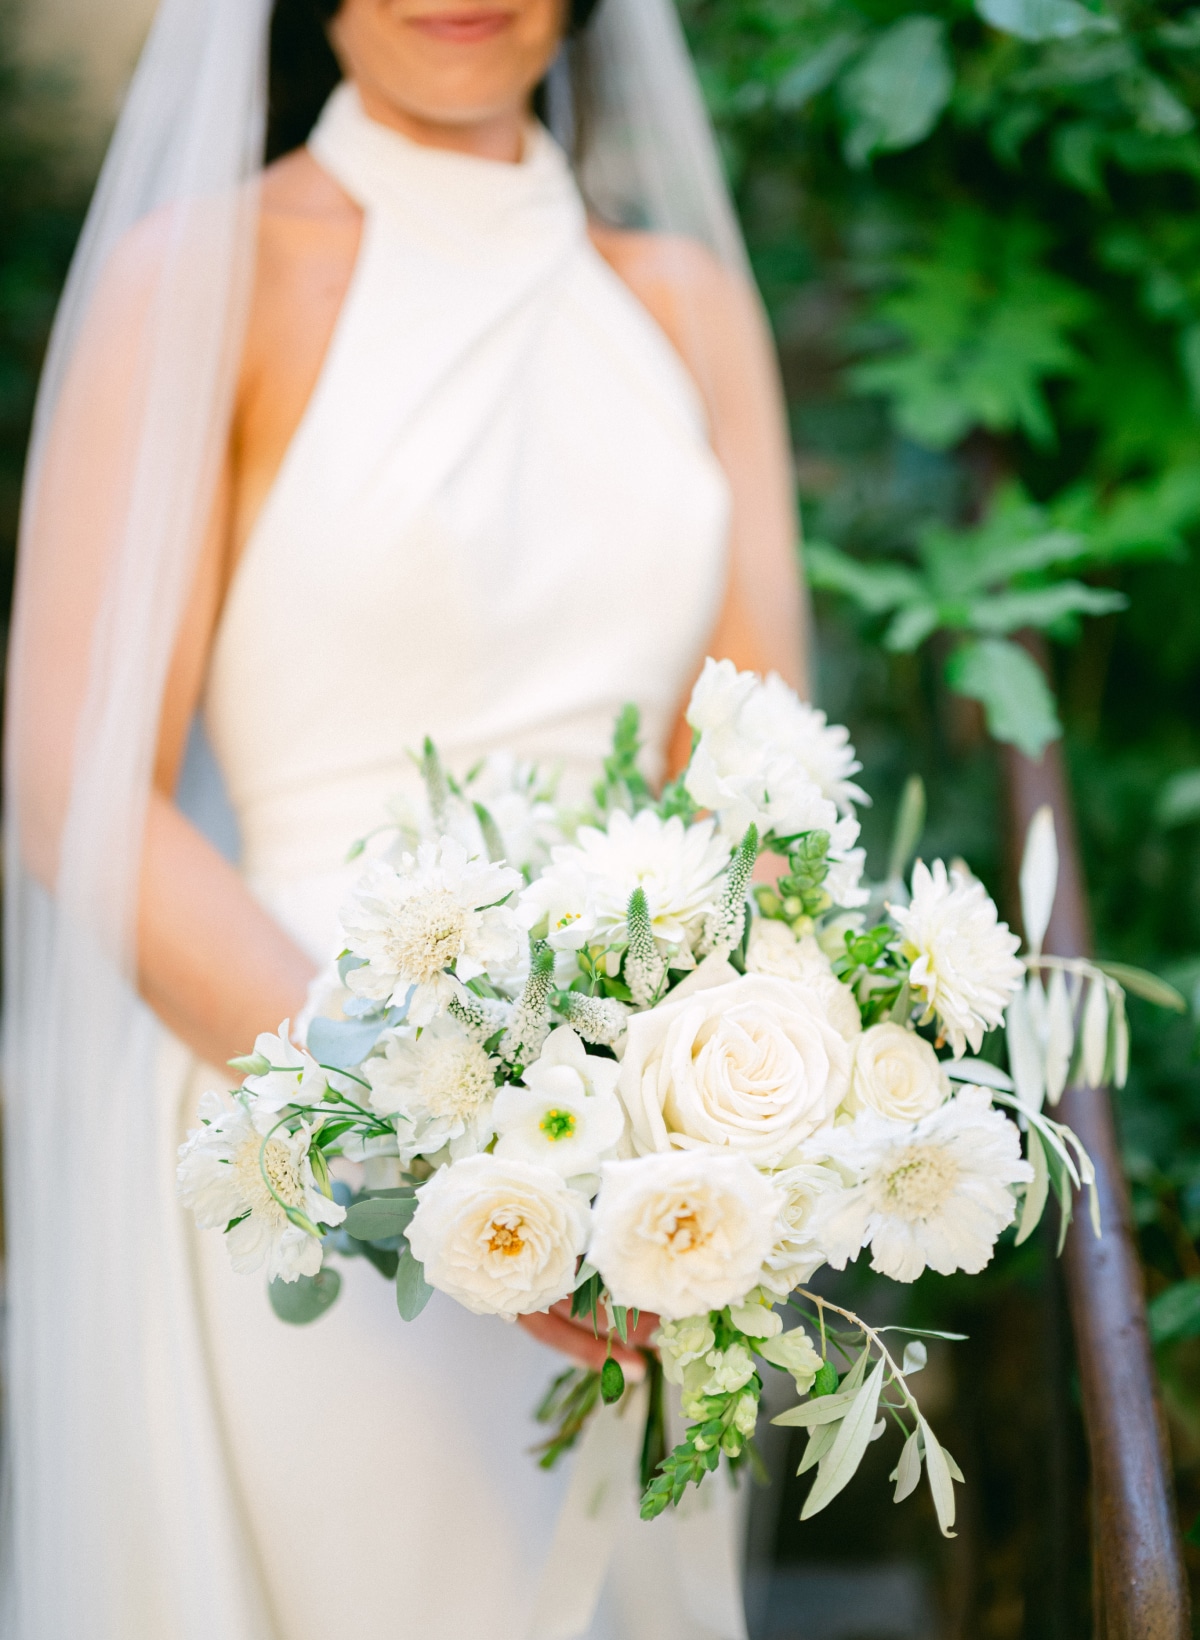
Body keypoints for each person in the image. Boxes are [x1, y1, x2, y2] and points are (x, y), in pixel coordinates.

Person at [3, 2, 806, 1637]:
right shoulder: (204, 274)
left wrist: (719, 1119)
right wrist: (437, 1149)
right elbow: (76, 786)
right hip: (306, 1115)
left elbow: (764, 773)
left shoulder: (686, 306)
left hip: (645, 1186)